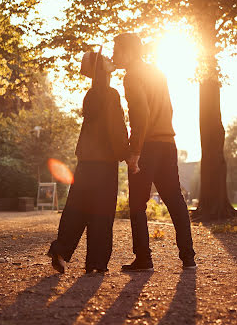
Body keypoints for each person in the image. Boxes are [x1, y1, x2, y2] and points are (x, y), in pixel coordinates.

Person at [112, 33, 196, 271]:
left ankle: (143, 258)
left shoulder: (132, 76)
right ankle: (188, 258)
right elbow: (166, 109)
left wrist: (136, 151)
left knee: (137, 204)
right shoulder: (158, 73)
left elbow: (141, 113)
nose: (113, 55)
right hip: (167, 142)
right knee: (175, 200)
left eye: (116, 50)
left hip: (147, 145)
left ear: (128, 52)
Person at [47, 49, 129, 274]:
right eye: (106, 60)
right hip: (104, 162)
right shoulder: (111, 94)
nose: (111, 60)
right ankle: (96, 262)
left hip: (85, 161)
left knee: (77, 207)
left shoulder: (90, 95)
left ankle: (61, 249)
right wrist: (126, 151)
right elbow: (116, 127)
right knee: (102, 212)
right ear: (102, 69)